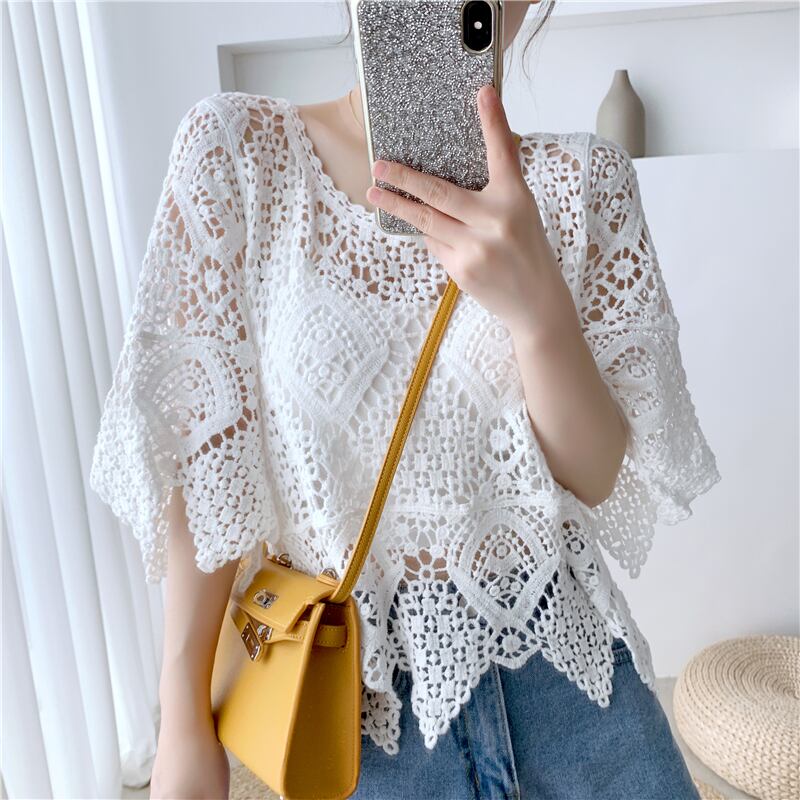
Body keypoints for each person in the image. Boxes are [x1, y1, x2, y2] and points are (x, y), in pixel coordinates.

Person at [89, 1, 721, 797]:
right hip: (354, 710)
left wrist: (539, 310)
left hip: (575, 695)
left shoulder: (585, 179)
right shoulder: (240, 153)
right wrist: (181, 716)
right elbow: (205, 463)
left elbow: (592, 476)